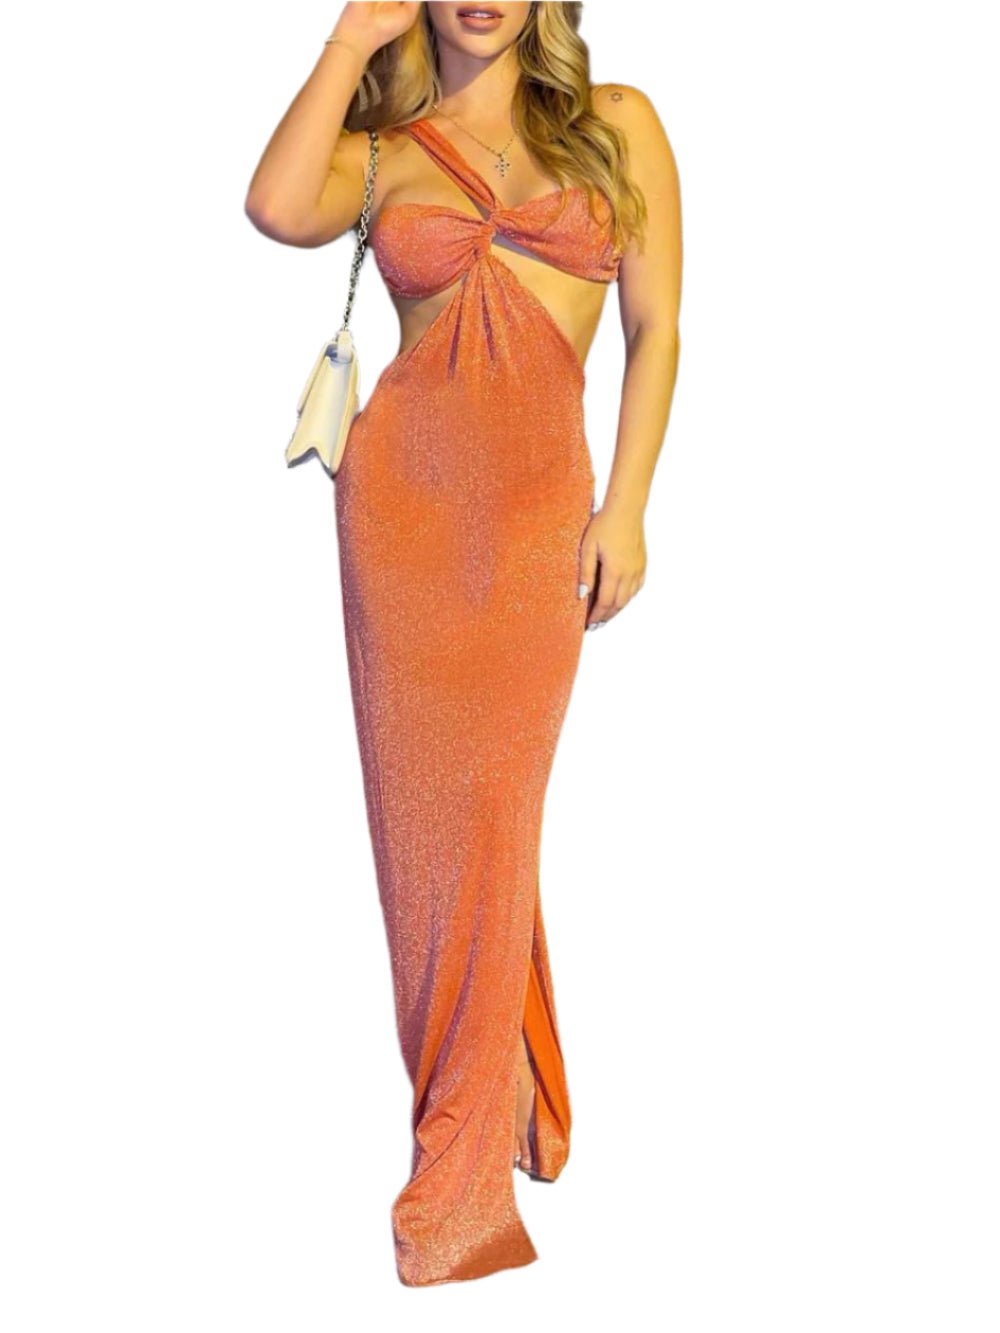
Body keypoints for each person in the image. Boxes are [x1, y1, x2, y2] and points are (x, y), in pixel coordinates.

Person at [245, 0, 682, 1287]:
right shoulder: (384, 148)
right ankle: (481, 1143)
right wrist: (349, 37)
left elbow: (656, 329)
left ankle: (477, 1146)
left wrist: (627, 507)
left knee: (490, 815)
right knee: (435, 838)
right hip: (406, 517)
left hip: (541, 516)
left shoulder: (618, 124)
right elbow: (274, 206)